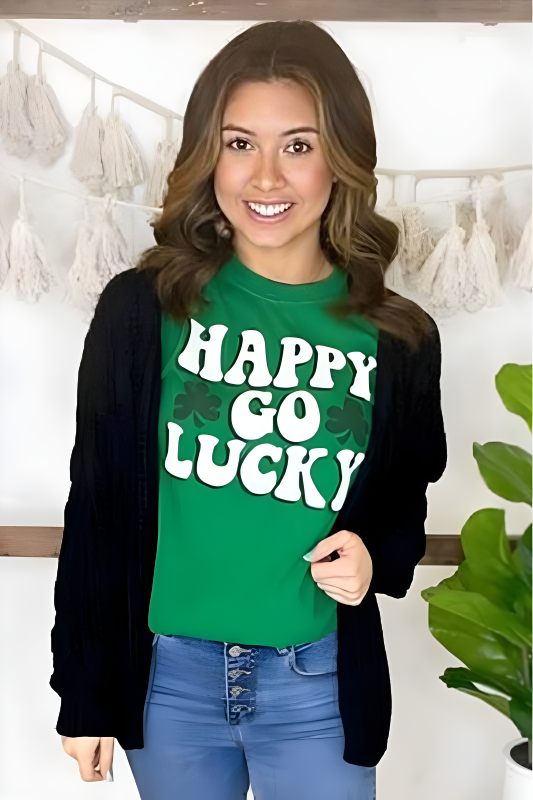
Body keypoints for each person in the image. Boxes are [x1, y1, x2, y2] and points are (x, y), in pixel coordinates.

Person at [50, 19, 447, 800]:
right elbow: (96, 506)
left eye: (297, 146)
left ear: (341, 158)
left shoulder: (398, 336)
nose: (265, 178)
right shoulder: (141, 309)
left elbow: (403, 495)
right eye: (240, 144)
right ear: (208, 155)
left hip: (316, 682)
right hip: (168, 684)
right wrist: (84, 694)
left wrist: (372, 553)